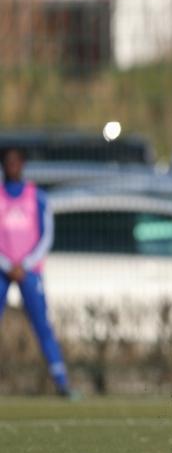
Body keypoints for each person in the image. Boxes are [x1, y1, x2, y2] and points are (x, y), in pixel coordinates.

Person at [0, 148, 72, 397]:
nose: (11, 166)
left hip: (29, 271)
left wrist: (25, 264)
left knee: (42, 326)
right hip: (3, 270)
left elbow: (46, 236)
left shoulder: (37, 197)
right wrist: (7, 265)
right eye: (7, 162)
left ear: (22, 164)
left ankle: (62, 382)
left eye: (15, 162)